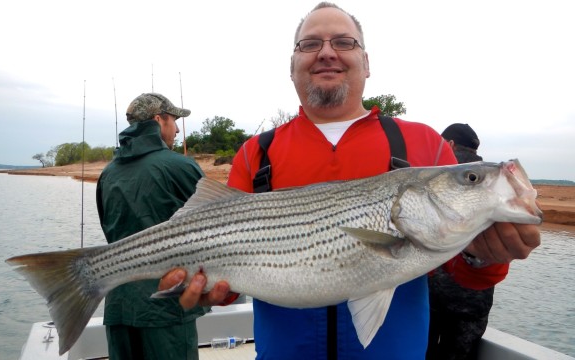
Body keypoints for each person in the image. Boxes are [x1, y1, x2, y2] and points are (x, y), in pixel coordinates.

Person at [159, 3, 540, 359]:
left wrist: (484, 255)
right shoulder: (256, 153)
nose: (327, 52)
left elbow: (461, 273)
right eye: (310, 44)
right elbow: (233, 277)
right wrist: (213, 292)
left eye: (344, 42)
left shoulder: (424, 143)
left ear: (366, 62)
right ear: (293, 65)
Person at [96, 92, 209, 360]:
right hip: (166, 308)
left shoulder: (107, 173)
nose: (178, 128)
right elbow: (216, 224)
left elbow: (109, 229)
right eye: (173, 120)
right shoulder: (180, 166)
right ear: (159, 120)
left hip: (118, 307)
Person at [426, 123, 492, 360]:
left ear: (450, 144)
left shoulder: (440, 176)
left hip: (434, 297)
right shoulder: (488, 181)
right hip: (474, 304)